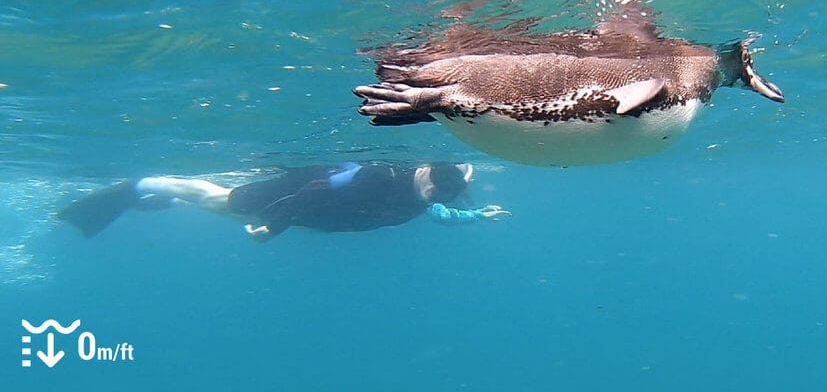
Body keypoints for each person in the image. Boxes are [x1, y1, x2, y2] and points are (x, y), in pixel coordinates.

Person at [58, 161, 510, 242]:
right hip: (290, 199)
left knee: (219, 209)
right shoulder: (381, 176)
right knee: (220, 201)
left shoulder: (426, 196)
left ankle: (161, 198)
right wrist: (277, 224)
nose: (432, 192)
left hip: (303, 213)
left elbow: (441, 214)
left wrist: (475, 216)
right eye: (434, 184)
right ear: (427, 173)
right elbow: (315, 193)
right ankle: (145, 184)